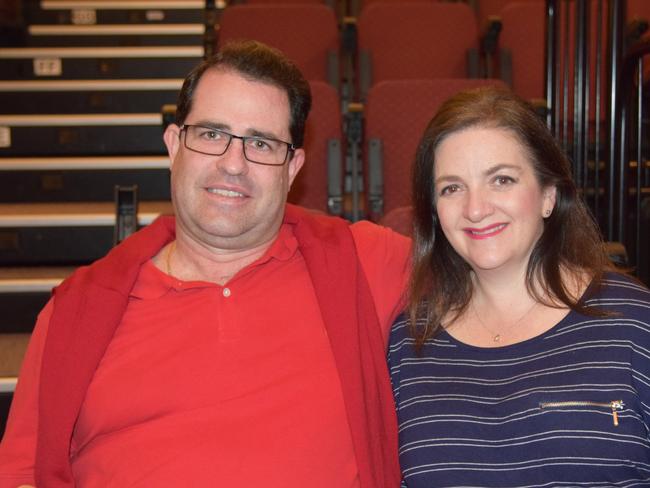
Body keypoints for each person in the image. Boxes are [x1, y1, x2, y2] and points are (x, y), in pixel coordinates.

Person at [0, 40, 410, 488]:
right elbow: (23, 472)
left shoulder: (362, 261)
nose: (233, 164)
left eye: (261, 142)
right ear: (175, 145)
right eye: (212, 134)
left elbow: (490, 266)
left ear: (292, 167)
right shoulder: (77, 311)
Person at [388, 87, 650, 487]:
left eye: (502, 180)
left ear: (549, 195)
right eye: (451, 188)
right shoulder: (410, 341)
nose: (475, 208)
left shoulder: (635, 323)